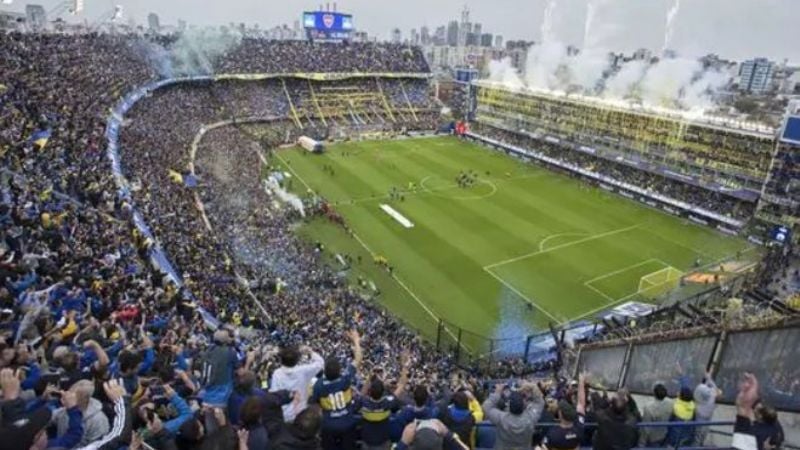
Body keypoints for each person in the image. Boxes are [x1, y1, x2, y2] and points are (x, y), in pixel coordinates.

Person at [310, 330, 362, 450]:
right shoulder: (345, 379)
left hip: (328, 426)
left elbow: (314, 404)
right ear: (339, 371)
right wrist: (356, 340)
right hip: (348, 423)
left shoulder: (318, 385)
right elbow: (358, 359)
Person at [270, 343, 324, 422]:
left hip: (284, 415)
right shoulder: (303, 371)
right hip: (300, 413)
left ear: (281, 360)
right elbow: (320, 363)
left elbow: (274, 394)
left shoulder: (277, 373)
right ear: (297, 360)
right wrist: (310, 352)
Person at [482, 381, 545, 450]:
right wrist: (533, 386)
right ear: (523, 405)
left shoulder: (501, 418)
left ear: (509, 405)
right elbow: (539, 402)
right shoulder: (530, 418)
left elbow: (486, 406)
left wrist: (497, 393)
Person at [541, 373, 586, 450]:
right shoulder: (579, 429)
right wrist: (581, 382)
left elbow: (543, 447)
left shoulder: (552, 434)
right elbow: (581, 404)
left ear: (560, 414)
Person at [694, 371, 720, 446]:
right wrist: (709, 379)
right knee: (702, 435)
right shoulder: (711, 396)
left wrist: (708, 379)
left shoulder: (698, 400)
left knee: (697, 435)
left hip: (700, 417)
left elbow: (703, 389)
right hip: (707, 419)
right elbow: (715, 390)